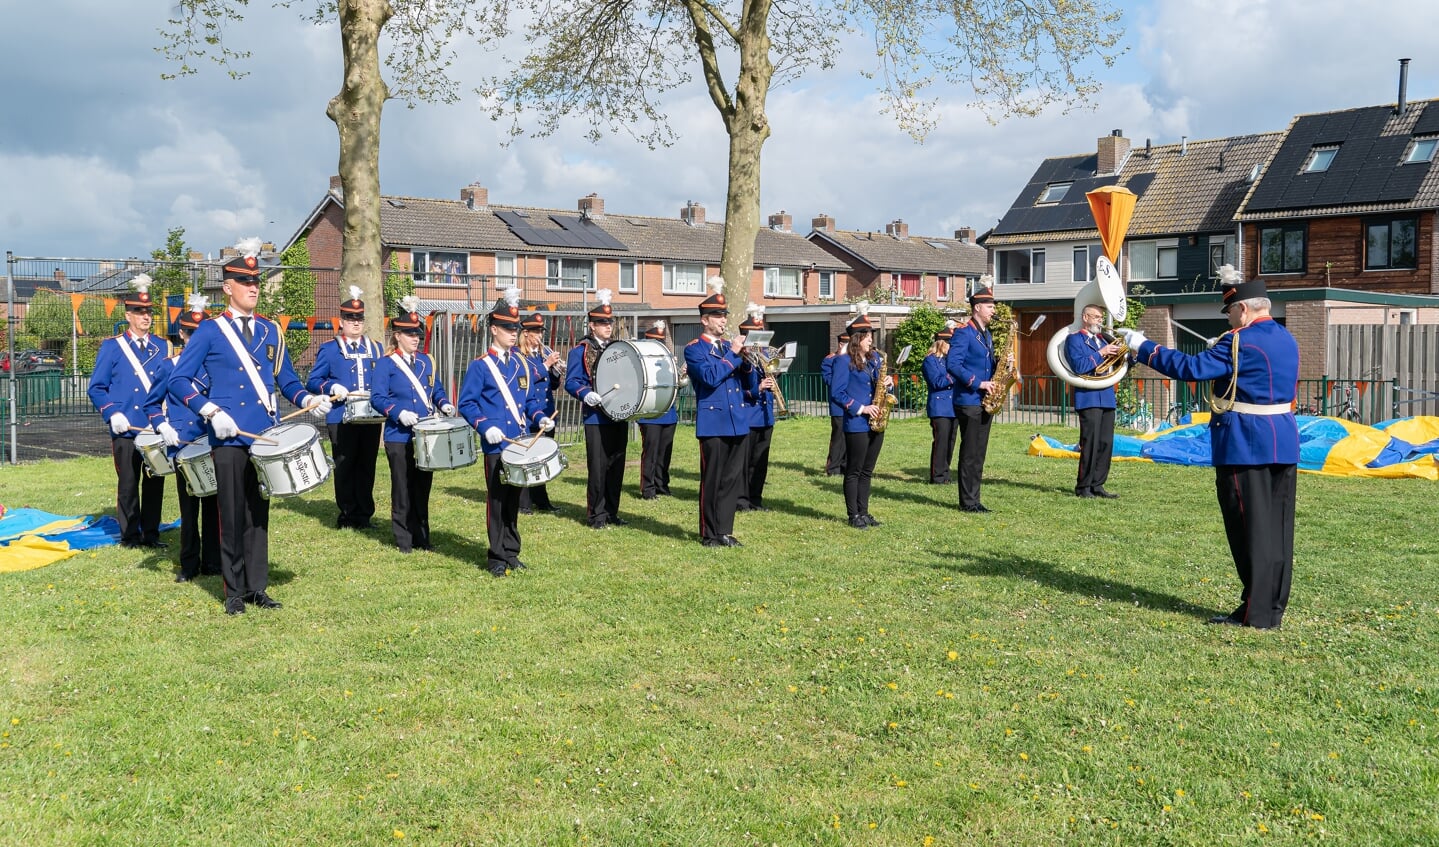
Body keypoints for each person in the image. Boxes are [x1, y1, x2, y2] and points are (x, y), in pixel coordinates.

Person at [1117, 267, 1299, 631]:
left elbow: (1189, 368)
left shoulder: (1239, 341)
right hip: (1282, 440)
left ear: (1244, 310)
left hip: (1245, 443)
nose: (1229, 319)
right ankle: (1273, 607)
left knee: (1250, 531)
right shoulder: (1285, 337)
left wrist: (1140, 346)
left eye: (1230, 312)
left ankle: (1256, 613)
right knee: (1278, 532)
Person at [170, 238, 331, 614]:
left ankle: (257, 586)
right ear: (228, 287)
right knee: (230, 511)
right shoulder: (210, 331)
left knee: (258, 515)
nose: (253, 287)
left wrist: (307, 400)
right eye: (245, 281)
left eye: (256, 280)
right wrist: (210, 411)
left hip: (263, 435)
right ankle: (233, 592)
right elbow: (178, 381)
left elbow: (286, 380)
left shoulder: (271, 330)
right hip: (227, 437)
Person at [458, 288, 552, 577]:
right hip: (497, 444)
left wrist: (541, 417)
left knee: (515, 500)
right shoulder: (480, 366)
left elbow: (530, 401)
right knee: (497, 500)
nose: (514, 333)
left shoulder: (522, 362)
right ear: (494, 329)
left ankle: (512, 551)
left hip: (521, 441)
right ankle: (496, 555)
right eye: (509, 328)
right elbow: (467, 403)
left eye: (516, 328)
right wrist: (486, 427)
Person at [89, 273, 171, 549]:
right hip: (125, 426)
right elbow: (97, 387)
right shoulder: (112, 347)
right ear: (128, 314)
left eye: (148, 312)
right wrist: (112, 413)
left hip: (152, 425)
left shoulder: (162, 347)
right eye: (139, 311)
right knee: (128, 482)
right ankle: (130, 535)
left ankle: (151, 533)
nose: (145, 317)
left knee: (154, 481)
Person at [371, 296, 455, 554]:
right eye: (409, 334)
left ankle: (422, 536)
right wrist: (397, 412)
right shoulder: (386, 364)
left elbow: (436, 389)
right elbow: (377, 397)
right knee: (402, 487)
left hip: (425, 433)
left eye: (417, 334)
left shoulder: (426, 362)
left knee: (422, 487)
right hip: (399, 435)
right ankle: (403, 538)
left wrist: (444, 404)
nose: (415, 338)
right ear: (397, 336)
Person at [143, 294, 219, 581]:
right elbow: (151, 404)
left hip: (211, 440)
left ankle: (213, 561)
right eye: (192, 333)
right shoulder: (169, 366)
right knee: (189, 509)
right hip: (183, 444)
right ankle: (189, 565)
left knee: (214, 505)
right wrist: (163, 426)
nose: (196, 338)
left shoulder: (216, 364)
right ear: (183, 334)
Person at [306, 286, 384, 528]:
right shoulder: (330, 349)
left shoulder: (376, 348)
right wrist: (331, 387)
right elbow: (312, 381)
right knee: (345, 464)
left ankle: (364, 514)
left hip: (369, 417)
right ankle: (347, 514)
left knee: (367, 464)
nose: (355, 323)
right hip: (341, 417)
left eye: (359, 318)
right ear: (342, 321)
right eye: (350, 318)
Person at [684, 277, 751, 547]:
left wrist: (748, 362)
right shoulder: (694, 349)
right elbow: (711, 377)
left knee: (732, 480)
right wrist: (734, 355)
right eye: (717, 316)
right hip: (713, 422)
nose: (723, 321)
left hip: (737, 421)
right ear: (704, 320)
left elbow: (747, 384)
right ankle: (709, 533)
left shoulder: (727, 349)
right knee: (712, 480)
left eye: (724, 316)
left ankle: (724, 529)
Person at [565, 288, 629, 529]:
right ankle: (596, 515)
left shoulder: (618, 349)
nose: (607, 327)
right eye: (602, 323)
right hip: (595, 417)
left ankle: (612, 511)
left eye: (609, 322)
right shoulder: (580, 350)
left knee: (616, 465)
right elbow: (571, 382)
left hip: (618, 414)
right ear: (591, 325)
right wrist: (585, 394)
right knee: (599, 467)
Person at [828, 303, 892, 529]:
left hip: (876, 422)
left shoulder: (875, 361)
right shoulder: (842, 361)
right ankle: (853, 514)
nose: (870, 341)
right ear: (857, 339)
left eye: (871, 337)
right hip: (856, 422)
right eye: (867, 337)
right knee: (854, 470)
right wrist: (861, 408)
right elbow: (837, 393)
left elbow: (880, 389)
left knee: (867, 470)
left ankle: (864, 512)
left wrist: (888, 384)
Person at [948, 285, 999, 513]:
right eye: (990, 306)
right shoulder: (963, 333)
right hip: (969, 400)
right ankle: (967, 501)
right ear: (977, 307)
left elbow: (988, 365)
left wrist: (1003, 364)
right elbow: (953, 365)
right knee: (970, 452)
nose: (993, 310)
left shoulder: (986, 334)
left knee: (979, 452)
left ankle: (974, 498)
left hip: (984, 401)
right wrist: (978, 383)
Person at [1066, 305, 1123, 499]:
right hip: (1088, 396)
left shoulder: (1103, 339)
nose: (1100, 320)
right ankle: (1083, 487)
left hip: (1107, 395)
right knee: (1090, 443)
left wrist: (1128, 356)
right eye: (1096, 317)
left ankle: (1098, 485)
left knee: (1105, 443)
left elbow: (1117, 365)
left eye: (1101, 317)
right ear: (1085, 317)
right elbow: (1080, 366)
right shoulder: (1074, 339)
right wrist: (1102, 353)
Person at [517, 311, 564, 514]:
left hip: (546, 412)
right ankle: (524, 502)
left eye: (541, 331)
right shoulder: (519, 356)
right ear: (525, 333)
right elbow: (526, 381)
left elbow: (550, 386)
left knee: (542, 457)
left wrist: (555, 371)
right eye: (535, 331)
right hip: (529, 414)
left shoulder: (541, 354)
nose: (539, 336)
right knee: (528, 458)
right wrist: (546, 365)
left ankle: (541, 499)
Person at [737, 303, 774, 512]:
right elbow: (735, 391)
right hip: (748, 415)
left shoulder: (764, 357)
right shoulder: (741, 359)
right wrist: (757, 388)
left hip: (765, 415)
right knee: (745, 462)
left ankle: (756, 498)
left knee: (760, 462)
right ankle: (741, 500)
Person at [637, 319, 679, 500]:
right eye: (655, 342)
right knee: (651, 452)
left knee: (664, 452)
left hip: (668, 412)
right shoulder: (641, 360)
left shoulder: (668, 359)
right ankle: (648, 488)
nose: (659, 345)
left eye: (661, 342)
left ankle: (662, 484)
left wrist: (677, 371)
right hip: (650, 413)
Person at [923, 320, 957, 484]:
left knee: (950, 442)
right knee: (941, 442)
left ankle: (945, 473)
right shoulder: (930, 361)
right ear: (942, 343)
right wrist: (955, 375)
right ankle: (937, 475)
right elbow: (936, 382)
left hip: (953, 407)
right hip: (940, 408)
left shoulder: (950, 361)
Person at [822, 332, 849, 476]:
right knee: (838, 437)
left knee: (849, 437)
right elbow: (830, 382)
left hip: (851, 404)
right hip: (838, 406)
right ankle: (833, 468)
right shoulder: (830, 360)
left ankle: (846, 466)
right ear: (841, 344)